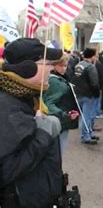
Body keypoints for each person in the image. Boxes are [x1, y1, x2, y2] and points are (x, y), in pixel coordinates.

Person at [0, 38, 63, 207]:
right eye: (47, 63)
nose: (51, 68)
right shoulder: (8, 107)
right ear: (27, 68)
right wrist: (43, 134)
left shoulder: (27, 98)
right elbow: (6, 170)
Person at [43, 54, 80, 155]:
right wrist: (64, 114)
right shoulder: (55, 81)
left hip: (61, 119)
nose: (64, 68)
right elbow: (49, 103)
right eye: (61, 66)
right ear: (53, 65)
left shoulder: (58, 79)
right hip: (60, 120)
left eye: (65, 65)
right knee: (58, 150)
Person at [71, 48, 100, 144]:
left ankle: (88, 133)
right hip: (88, 94)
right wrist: (96, 92)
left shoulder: (78, 65)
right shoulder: (91, 67)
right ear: (92, 56)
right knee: (88, 115)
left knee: (84, 115)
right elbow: (94, 83)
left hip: (78, 93)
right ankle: (86, 135)